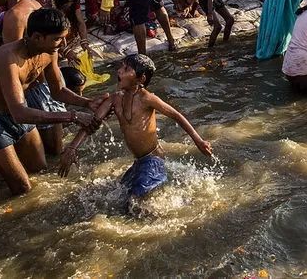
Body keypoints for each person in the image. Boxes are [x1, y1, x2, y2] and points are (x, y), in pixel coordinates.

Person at [58, 54, 212, 213]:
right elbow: (92, 123)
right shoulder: (114, 99)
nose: (119, 71)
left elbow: (176, 116)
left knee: (135, 203)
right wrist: (72, 148)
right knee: (121, 194)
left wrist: (198, 141)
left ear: (141, 79)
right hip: (139, 162)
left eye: (126, 69)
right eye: (121, 67)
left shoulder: (147, 98)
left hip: (153, 159)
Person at [0, 9, 103, 195]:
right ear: (37, 37)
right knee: (22, 188)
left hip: (20, 115)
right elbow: (19, 113)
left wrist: (88, 103)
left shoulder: (50, 52)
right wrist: (73, 116)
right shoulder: (8, 59)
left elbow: (58, 91)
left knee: (41, 173)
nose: (62, 43)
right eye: (57, 39)